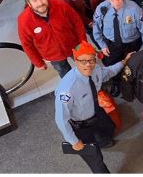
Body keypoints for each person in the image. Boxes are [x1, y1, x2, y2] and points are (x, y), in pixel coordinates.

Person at [54, 41, 133, 173]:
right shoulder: (67, 89)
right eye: (83, 61)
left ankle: (103, 141)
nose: (88, 65)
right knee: (95, 158)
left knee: (110, 128)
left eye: (91, 60)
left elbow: (108, 72)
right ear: (75, 60)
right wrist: (73, 141)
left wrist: (123, 62)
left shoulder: (96, 70)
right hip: (80, 126)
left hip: (96, 112)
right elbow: (61, 119)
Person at [18, 0, 85, 78]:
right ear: (29, 3)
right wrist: (38, 62)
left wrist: (83, 43)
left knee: (87, 66)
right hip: (53, 56)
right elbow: (27, 44)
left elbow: (77, 22)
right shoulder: (24, 20)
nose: (40, 3)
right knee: (66, 75)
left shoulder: (61, 5)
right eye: (35, 1)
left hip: (74, 46)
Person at [92, 0, 143, 69]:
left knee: (134, 67)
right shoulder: (101, 8)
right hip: (112, 44)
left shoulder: (134, 9)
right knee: (111, 67)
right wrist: (102, 45)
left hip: (132, 44)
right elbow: (96, 28)